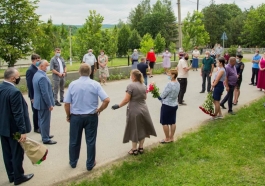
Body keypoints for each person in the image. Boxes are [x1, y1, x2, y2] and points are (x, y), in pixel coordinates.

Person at [64, 63, 110, 171]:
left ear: (79, 72)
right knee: (90, 141)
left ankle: (73, 162)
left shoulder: (73, 84)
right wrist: (100, 109)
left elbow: (67, 103)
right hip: (91, 116)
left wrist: (68, 115)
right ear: (90, 72)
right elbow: (107, 100)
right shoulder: (95, 84)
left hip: (76, 116)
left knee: (74, 140)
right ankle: (90, 163)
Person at [0, 68, 34, 185]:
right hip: (14, 130)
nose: (19, 78)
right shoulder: (14, 92)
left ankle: (11, 175)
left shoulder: (1, 87)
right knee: (17, 153)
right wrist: (22, 131)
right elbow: (18, 113)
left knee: (7, 153)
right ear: (13, 78)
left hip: (3, 127)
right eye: (18, 76)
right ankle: (19, 176)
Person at [111, 69, 157, 155]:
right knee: (142, 128)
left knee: (134, 129)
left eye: (131, 75)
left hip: (134, 110)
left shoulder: (130, 86)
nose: (130, 76)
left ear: (134, 76)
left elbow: (126, 100)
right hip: (144, 109)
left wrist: (118, 105)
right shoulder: (143, 85)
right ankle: (141, 147)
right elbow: (145, 97)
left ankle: (134, 149)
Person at [33, 60, 56, 145]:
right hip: (43, 103)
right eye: (46, 65)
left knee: (41, 120)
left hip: (39, 102)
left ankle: (45, 134)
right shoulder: (42, 77)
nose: (47, 67)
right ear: (41, 66)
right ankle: (45, 138)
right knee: (45, 121)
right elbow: (45, 93)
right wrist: (49, 104)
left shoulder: (37, 74)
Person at [158, 69, 180, 143]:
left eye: (170, 74)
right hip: (174, 104)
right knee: (172, 121)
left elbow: (164, 93)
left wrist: (159, 97)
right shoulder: (178, 83)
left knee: (164, 122)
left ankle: (167, 138)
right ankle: (172, 137)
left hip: (167, 104)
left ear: (173, 75)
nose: (168, 75)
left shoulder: (169, 84)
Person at [26, 54, 41, 133]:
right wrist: (32, 97)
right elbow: (30, 85)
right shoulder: (30, 70)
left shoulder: (37, 68)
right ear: (33, 61)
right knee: (35, 111)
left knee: (39, 111)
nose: (38, 61)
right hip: (34, 95)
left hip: (38, 93)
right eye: (37, 60)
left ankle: (40, 126)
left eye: (39, 59)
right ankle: (36, 127)